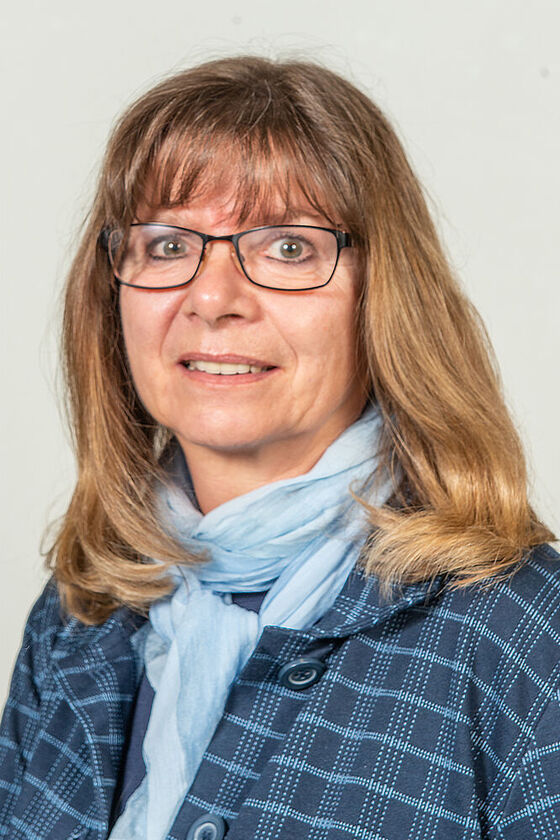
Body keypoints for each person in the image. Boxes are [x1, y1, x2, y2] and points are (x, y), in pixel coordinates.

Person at [1, 55, 558, 840]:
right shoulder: (77, 618)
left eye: (287, 247)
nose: (212, 298)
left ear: (384, 294)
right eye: (168, 245)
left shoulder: (523, 634)